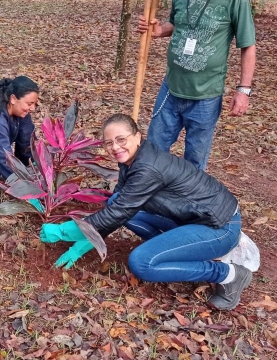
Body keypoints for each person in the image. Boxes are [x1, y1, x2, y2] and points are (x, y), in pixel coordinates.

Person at [40, 114, 252, 310]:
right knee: (115, 200)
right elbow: (118, 205)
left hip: (219, 227)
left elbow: (119, 211)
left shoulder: (147, 168)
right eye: (109, 143)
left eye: (121, 139)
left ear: (137, 137)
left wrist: (65, 231)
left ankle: (229, 275)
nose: (115, 147)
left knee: (141, 263)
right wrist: (89, 239)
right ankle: (173, 251)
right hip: (192, 219)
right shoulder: (132, 160)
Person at [139, 0, 256, 170]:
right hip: (171, 88)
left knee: (194, 162)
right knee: (153, 152)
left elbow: (248, 46)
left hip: (205, 95)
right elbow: (176, 24)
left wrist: (243, 90)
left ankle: (187, 194)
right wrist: (158, 30)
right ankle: (150, 189)